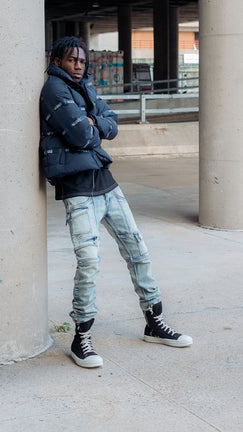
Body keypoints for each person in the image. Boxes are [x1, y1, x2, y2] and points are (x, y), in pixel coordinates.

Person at [39, 36, 193, 368]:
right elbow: (81, 135)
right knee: (90, 262)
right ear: (57, 61)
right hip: (78, 189)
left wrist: (95, 123)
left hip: (107, 184)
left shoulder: (86, 87)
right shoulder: (54, 90)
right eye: (71, 60)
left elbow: (112, 122)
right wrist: (95, 125)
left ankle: (154, 321)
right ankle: (81, 337)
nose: (78, 66)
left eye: (81, 61)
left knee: (137, 250)